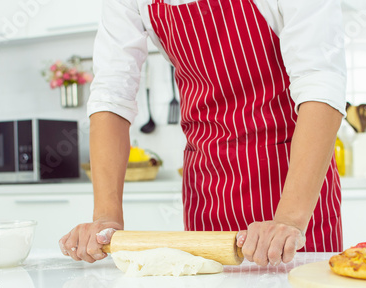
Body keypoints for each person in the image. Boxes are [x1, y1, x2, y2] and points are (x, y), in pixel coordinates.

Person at [59, 0, 346, 266]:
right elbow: (112, 94)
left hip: (291, 186)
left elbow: (319, 82)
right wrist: (106, 218)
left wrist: (290, 218)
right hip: (208, 187)